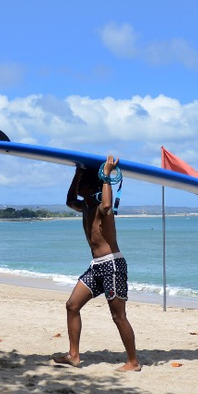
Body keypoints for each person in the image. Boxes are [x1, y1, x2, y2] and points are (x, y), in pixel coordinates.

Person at [54, 156, 140, 372]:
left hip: (112, 265)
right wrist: (77, 174)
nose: (79, 185)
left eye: (83, 181)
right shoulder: (85, 206)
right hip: (97, 266)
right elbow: (69, 200)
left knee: (118, 316)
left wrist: (107, 174)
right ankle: (74, 356)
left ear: (91, 184)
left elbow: (108, 203)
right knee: (72, 305)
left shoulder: (103, 209)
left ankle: (133, 362)